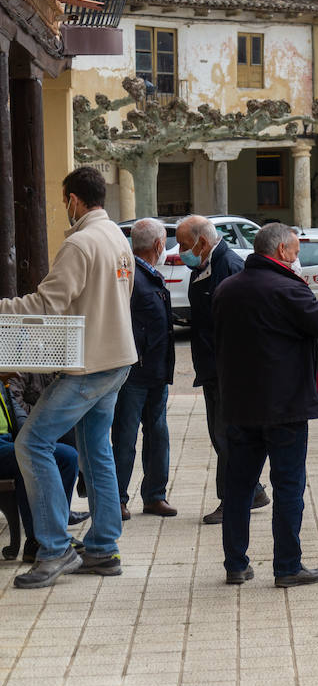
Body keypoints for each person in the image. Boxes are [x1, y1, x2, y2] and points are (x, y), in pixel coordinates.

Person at [3, 167, 136, 588]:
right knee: (96, 449)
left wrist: (3, 309)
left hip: (90, 364)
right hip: (116, 358)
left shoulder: (80, 243)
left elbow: (48, 304)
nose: (65, 208)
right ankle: (102, 547)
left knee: (31, 443)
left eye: (65, 201)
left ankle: (57, 548)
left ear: (74, 200)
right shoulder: (116, 236)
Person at [213, 223, 318, 587]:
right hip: (284, 406)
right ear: (282, 252)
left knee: (239, 488)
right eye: (295, 250)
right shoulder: (287, 289)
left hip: (240, 404)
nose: (297, 257)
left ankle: (235, 564)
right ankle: (288, 566)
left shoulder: (227, 288)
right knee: (288, 486)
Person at [178, 215, 266, 525]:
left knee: (226, 435)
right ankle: (252, 490)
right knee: (221, 436)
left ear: (202, 243)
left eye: (184, 244)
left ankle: (232, 499)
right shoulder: (202, 266)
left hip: (228, 367)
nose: (179, 250)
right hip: (213, 366)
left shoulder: (228, 266)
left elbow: (241, 322)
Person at [111, 218, 177, 520]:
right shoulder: (130, 275)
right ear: (158, 245)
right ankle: (118, 499)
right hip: (133, 373)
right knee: (124, 437)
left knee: (158, 434)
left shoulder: (150, 274)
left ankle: (154, 496)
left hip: (156, 372)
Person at [0, 375, 81, 565]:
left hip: (8, 441)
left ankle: (58, 532)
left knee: (68, 456)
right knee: (25, 456)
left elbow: (16, 414)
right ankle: (36, 540)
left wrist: (31, 437)